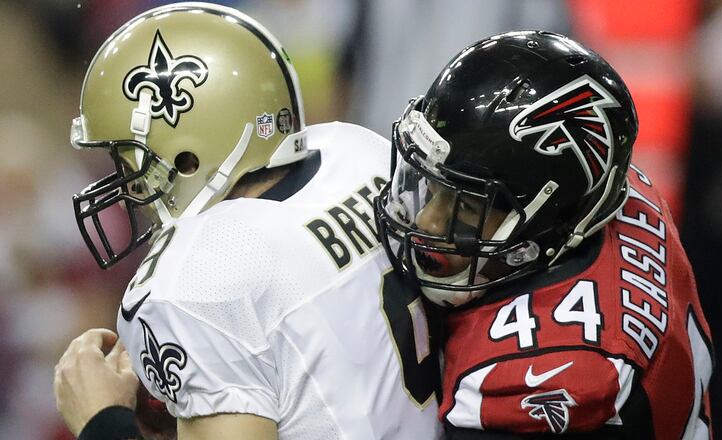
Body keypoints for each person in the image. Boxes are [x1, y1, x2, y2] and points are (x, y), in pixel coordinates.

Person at [59, 2, 443, 439]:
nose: (127, 182)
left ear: (188, 156)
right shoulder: (360, 152)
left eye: (127, 158)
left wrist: (101, 421)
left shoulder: (194, 279)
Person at [374, 31, 713, 438]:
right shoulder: (619, 190)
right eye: (436, 189)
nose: (428, 221)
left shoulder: (538, 378)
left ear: (551, 217)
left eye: (465, 205)